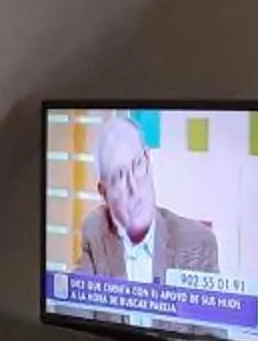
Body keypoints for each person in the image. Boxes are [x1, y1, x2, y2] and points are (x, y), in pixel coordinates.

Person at [76, 116, 222, 281]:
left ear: (147, 159)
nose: (133, 186)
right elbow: (70, 300)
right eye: (119, 176)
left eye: (137, 164)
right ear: (104, 193)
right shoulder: (96, 230)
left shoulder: (196, 243)